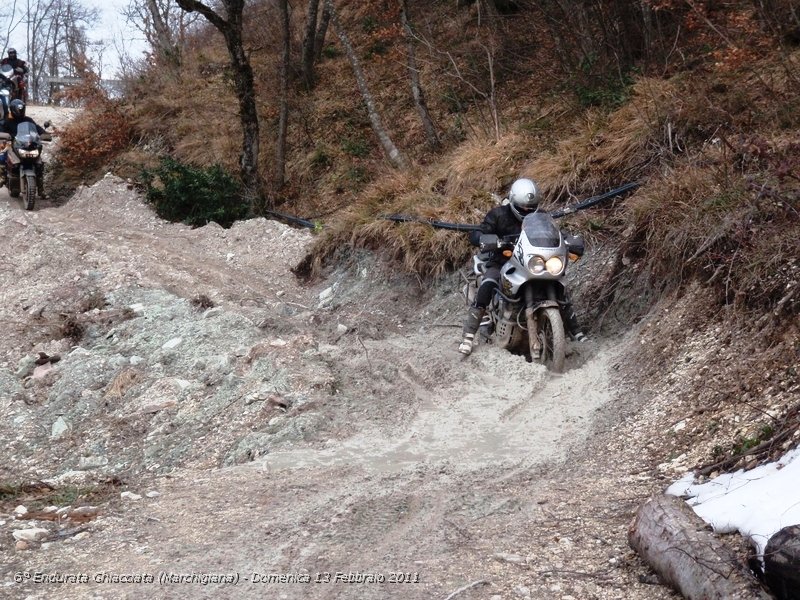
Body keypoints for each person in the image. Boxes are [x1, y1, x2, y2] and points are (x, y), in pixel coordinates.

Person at [458, 177, 587, 356]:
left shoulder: (541, 215)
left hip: (532, 262)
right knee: (488, 283)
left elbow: (554, 232)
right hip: (503, 262)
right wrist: (484, 238)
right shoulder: (498, 215)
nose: (526, 210)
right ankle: (469, 335)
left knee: (560, 285)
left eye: (530, 208)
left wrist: (567, 240)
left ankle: (576, 332)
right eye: (522, 208)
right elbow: (479, 231)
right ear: (512, 201)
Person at [0, 99, 49, 195]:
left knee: (39, 164)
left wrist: (44, 134)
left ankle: (41, 190)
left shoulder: (28, 120)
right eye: (18, 110)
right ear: (13, 109)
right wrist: (4, 135)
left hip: (26, 145)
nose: (20, 112)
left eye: (22, 110)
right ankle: (2, 177)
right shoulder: (6, 121)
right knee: (2, 158)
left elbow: (37, 128)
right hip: (12, 144)